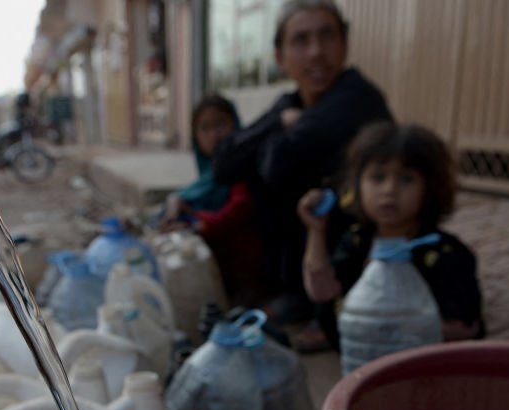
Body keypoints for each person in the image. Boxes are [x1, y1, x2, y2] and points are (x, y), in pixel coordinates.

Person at [213, 0, 392, 325]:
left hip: (350, 259)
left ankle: (313, 305)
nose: (316, 52)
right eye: (301, 40)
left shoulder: (357, 98)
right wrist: (279, 123)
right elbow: (224, 163)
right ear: (280, 57)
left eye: (327, 36)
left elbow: (277, 164)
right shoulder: (290, 104)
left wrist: (271, 141)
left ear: (345, 43)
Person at [299, 121, 485, 346]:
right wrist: (316, 230)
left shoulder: (447, 254)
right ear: (357, 185)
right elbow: (322, 292)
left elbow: (467, 327)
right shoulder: (357, 240)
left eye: (407, 179)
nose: (389, 190)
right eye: (377, 178)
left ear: (431, 189)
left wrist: (391, 327)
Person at [160, 93, 262, 306]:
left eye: (221, 124)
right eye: (204, 128)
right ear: (195, 137)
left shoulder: (243, 167)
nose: (214, 135)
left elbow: (236, 212)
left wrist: (195, 223)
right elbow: (187, 198)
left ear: (235, 125)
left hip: (246, 264)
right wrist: (176, 207)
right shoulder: (208, 174)